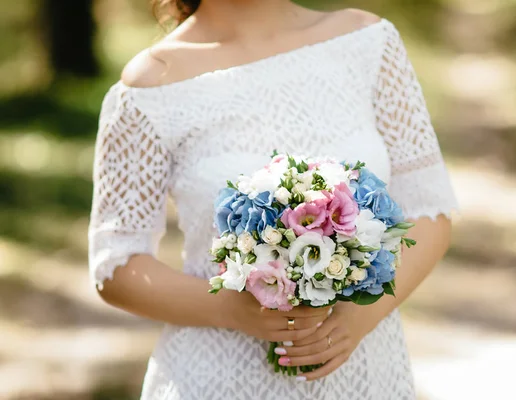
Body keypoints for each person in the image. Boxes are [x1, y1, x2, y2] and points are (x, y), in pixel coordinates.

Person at [88, 0, 458, 398]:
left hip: (364, 374)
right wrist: (229, 309)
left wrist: (358, 317)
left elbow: (428, 209)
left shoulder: (367, 41)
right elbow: (117, 263)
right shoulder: (151, 86)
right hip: (216, 380)